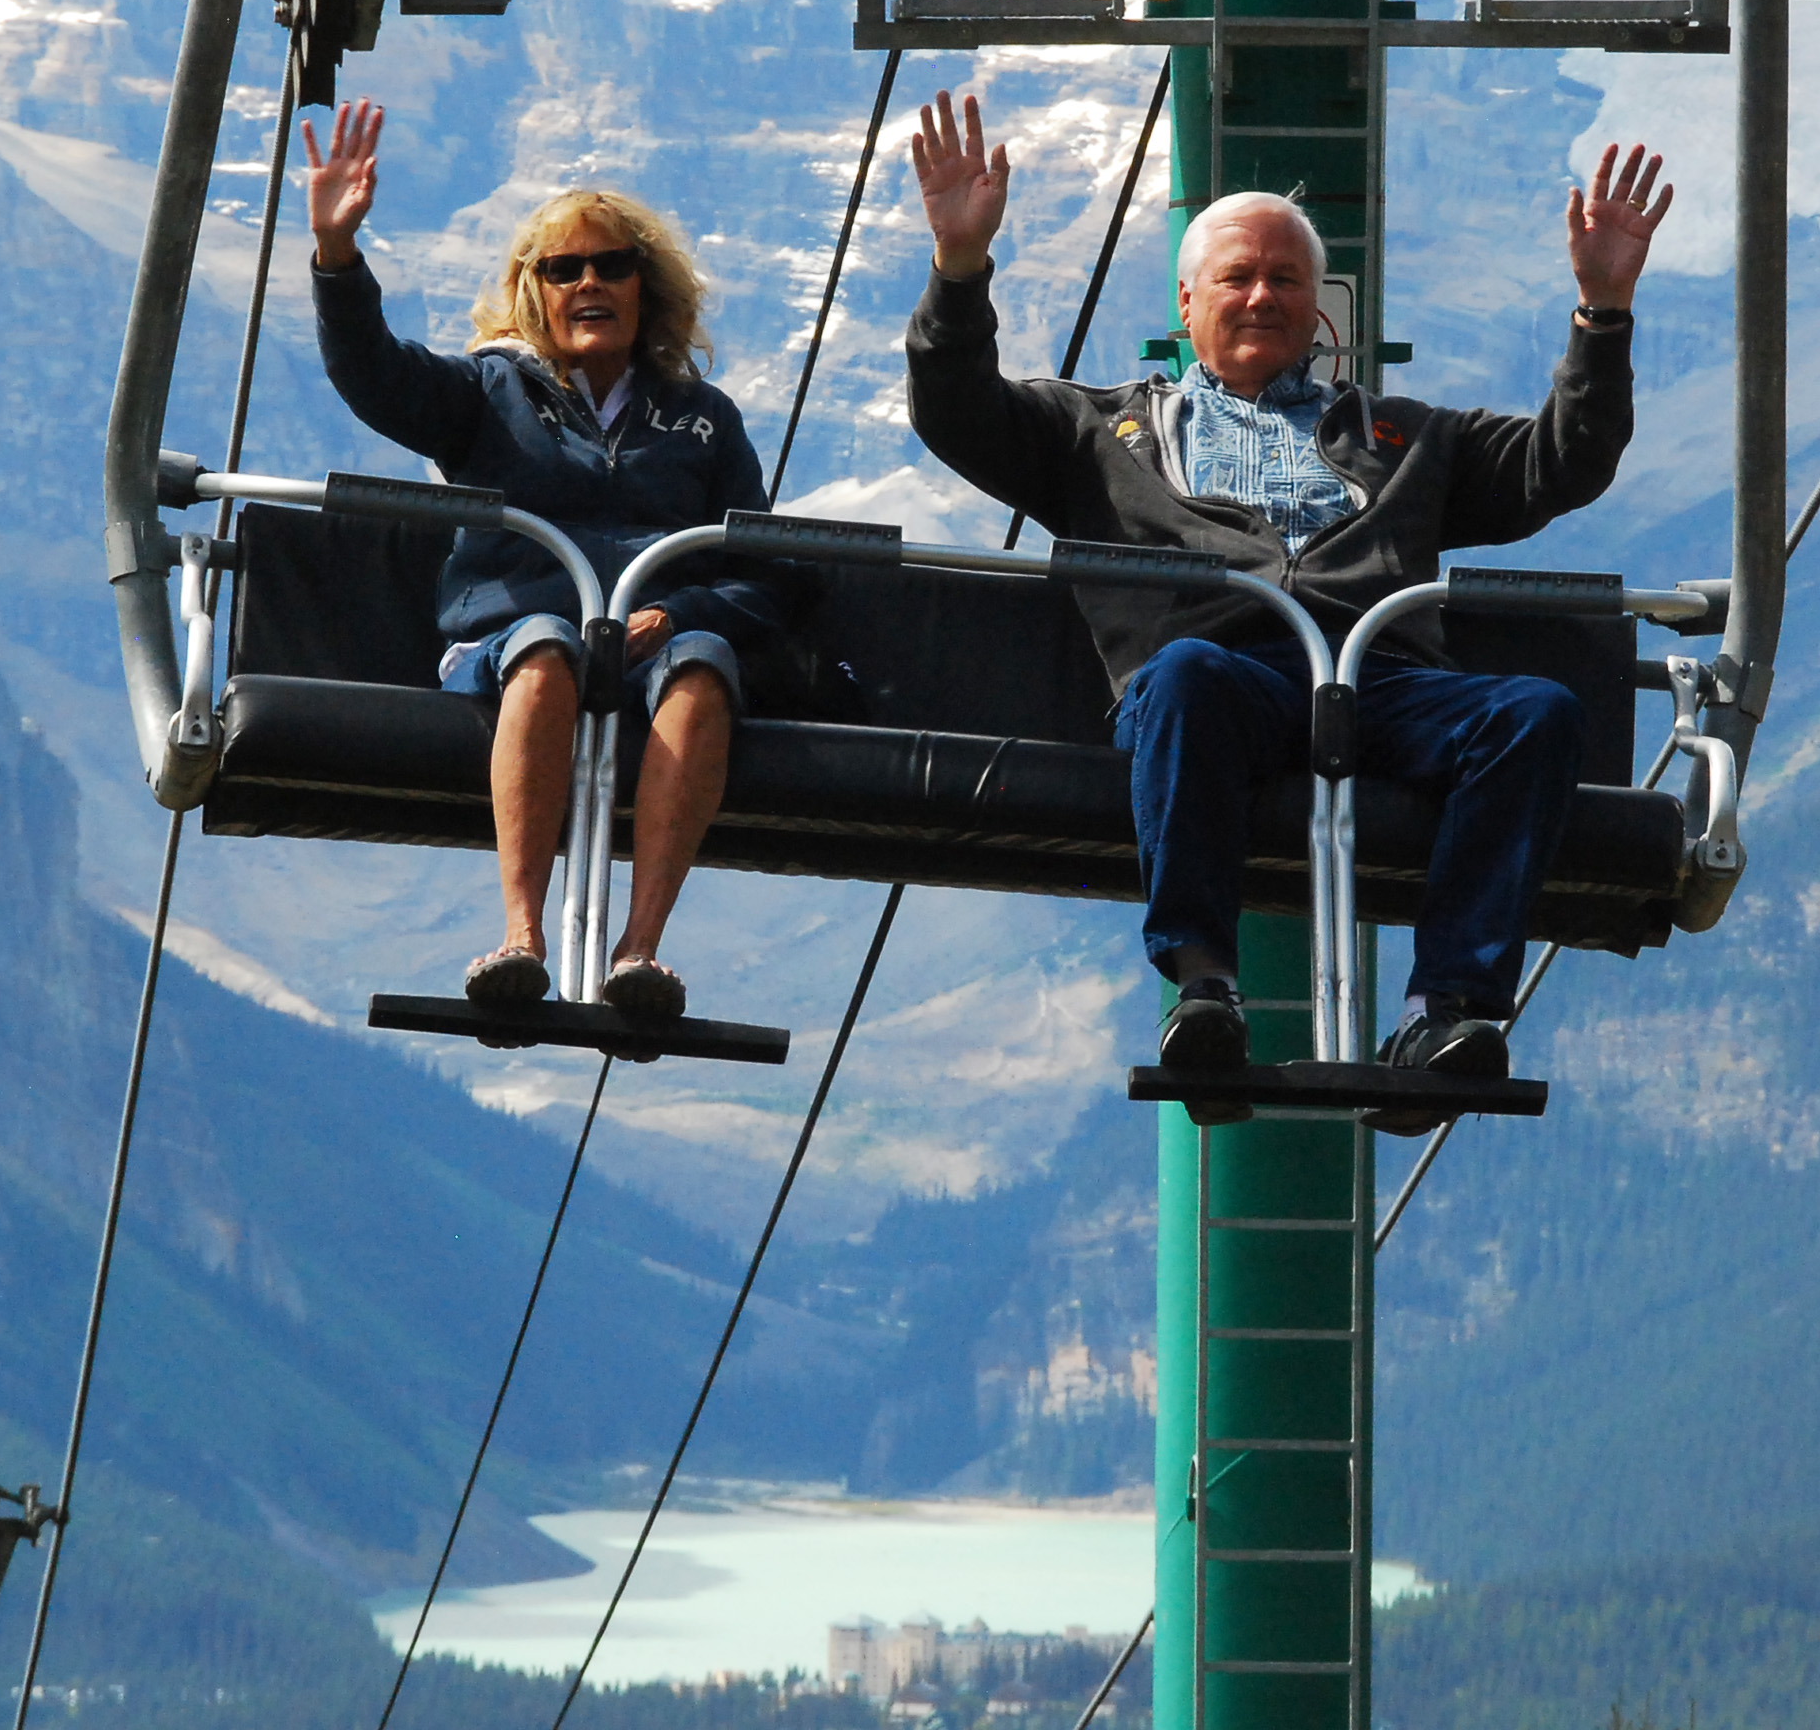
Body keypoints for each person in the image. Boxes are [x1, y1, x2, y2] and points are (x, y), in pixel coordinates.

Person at [903, 90, 1670, 1098]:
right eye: (1238, 278)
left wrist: (1601, 314)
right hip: (1224, 680)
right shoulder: (1093, 433)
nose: (1262, 298)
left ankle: (1446, 1010)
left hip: (1380, 680)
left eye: (1285, 280)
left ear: (1319, 306)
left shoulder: (1405, 438)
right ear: (1187, 306)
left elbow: (1560, 462)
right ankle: (1206, 987)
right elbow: (956, 411)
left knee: (1532, 712)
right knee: (1182, 677)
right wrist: (960, 270)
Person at [304, 97, 788, 1024]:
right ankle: (522, 936)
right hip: (516, 642)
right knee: (543, 647)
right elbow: (376, 375)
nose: (588, 284)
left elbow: (759, 564)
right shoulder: (489, 393)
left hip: (653, 649)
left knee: (705, 672)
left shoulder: (701, 417)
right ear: (535, 290)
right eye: (562, 269)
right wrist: (337, 257)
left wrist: (681, 619)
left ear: (646, 284)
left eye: (612, 264)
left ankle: (639, 950)